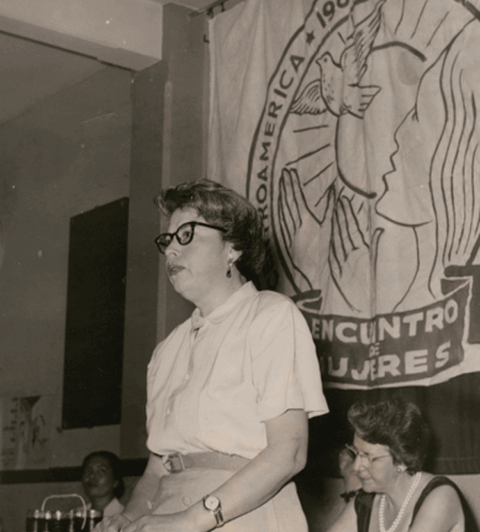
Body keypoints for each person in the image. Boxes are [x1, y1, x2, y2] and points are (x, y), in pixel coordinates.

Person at [98, 178, 328, 532]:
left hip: (246, 517)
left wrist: (192, 520)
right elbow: (161, 467)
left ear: (232, 248)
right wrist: (128, 518)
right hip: (169, 514)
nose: (171, 251)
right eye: (167, 241)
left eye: (186, 235)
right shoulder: (167, 351)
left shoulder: (270, 315)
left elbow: (289, 453)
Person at [327, 397, 476, 532]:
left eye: (368, 457)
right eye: (356, 452)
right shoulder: (365, 501)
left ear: (402, 461)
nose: (356, 467)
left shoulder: (441, 497)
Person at [82, 451, 125, 516]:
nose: (91, 476)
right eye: (88, 471)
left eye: (101, 471)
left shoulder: (124, 515)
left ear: (115, 481)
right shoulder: (76, 516)